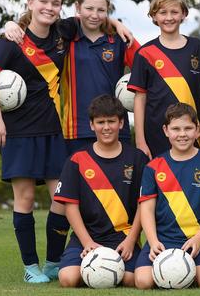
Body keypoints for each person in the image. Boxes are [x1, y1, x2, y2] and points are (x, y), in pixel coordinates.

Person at [0, 0, 71, 283]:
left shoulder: (62, 34)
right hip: (17, 132)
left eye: (55, 3)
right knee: (26, 199)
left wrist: (116, 25)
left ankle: (54, 263)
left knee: (62, 199)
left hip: (52, 131)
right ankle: (31, 268)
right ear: (30, 2)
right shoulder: (12, 40)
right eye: (43, 1)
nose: (49, 7)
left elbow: (93, 16)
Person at [3, 0, 138, 155]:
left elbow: (147, 70)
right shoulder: (63, 37)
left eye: (101, 10)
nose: (94, 15)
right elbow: (36, 27)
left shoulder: (120, 39)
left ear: (107, 11)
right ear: (77, 7)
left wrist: (116, 23)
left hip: (116, 128)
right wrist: (10, 24)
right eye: (89, 8)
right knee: (75, 181)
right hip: (75, 130)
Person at [53, 95, 147, 287]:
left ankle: (103, 271)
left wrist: (131, 240)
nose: (106, 127)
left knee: (131, 279)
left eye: (111, 121)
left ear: (121, 123)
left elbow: (143, 204)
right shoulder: (77, 160)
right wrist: (87, 242)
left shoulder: (137, 158)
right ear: (91, 124)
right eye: (100, 122)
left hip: (123, 236)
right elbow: (70, 206)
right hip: (86, 237)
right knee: (68, 279)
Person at [134, 103, 200, 289]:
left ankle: (188, 269)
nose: (182, 134)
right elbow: (147, 208)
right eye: (176, 129)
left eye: (188, 128)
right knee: (143, 282)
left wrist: (199, 239)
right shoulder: (153, 167)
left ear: (197, 129)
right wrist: (152, 242)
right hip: (163, 239)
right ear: (166, 130)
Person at [129, 0, 200, 159]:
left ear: (183, 14)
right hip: (154, 137)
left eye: (174, 12)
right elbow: (139, 98)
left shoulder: (198, 49)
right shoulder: (145, 53)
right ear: (154, 16)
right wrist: (140, 140)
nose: (169, 17)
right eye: (163, 12)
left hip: (190, 134)